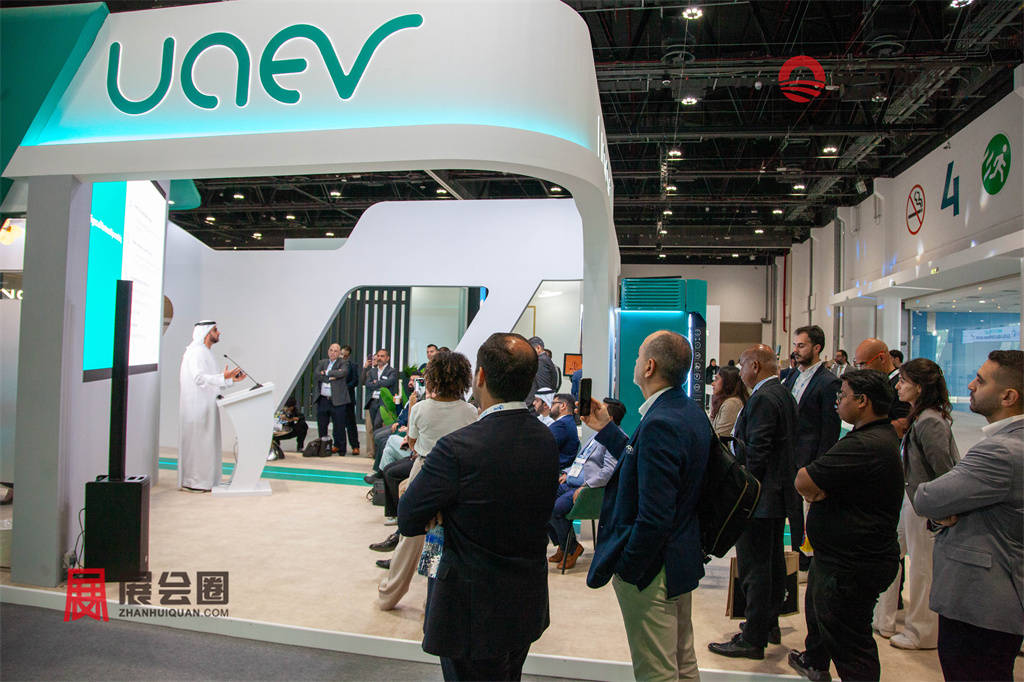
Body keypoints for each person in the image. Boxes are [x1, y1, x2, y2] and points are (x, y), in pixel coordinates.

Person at [398, 333, 558, 681]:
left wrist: (443, 511)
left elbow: (408, 517)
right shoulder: (547, 440)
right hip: (525, 602)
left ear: (480, 376)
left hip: (469, 610)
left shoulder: (456, 449)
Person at [583, 330, 711, 682]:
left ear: (650, 366)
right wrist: (607, 430)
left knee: (658, 671)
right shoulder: (686, 411)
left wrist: (630, 568)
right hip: (679, 556)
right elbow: (646, 465)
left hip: (654, 570)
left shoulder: (660, 422)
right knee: (682, 663)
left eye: (639, 356)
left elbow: (655, 515)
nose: (636, 362)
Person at [914, 350, 1023, 682]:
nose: (970, 385)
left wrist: (946, 507)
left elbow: (927, 497)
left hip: (982, 603)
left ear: (1008, 396)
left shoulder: (1000, 452)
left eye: (981, 380)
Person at [788, 369, 903, 682]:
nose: (838, 402)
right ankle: (815, 662)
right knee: (828, 623)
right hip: (843, 558)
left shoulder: (864, 445)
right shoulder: (874, 437)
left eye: (843, 396)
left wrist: (818, 489)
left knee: (851, 646)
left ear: (862, 401)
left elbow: (804, 481)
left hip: (851, 565)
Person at [709, 344, 797, 660]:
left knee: (755, 568)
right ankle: (767, 624)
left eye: (743, 365)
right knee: (771, 564)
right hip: (774, 496)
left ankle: (753, 638)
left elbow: (756, 453)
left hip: (759, 499)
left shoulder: (763, 398)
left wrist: (740, 487)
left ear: (755, 366)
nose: (740, 370)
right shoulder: (782, 394)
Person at [377, 350, 478, 610]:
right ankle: (432, 601)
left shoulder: (421, 409)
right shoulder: (470, 411)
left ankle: (389, 595)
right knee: (441, 540)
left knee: (410, 538)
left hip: (424, 471)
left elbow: (411, 443)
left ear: (432, 378)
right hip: (458, 477)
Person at [873, 358, 959, 649]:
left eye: (904, 382)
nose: (898, 386)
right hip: (911, 500)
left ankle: (922, 632)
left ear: (919, 388)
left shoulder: (930, 421)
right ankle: (883, 619)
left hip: (925, 504)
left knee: (922, 567)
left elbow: (944, 470)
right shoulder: (920, 417)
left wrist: (942, 510)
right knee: (892, 553)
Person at [782, 325, 842, 569]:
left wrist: (820, 464)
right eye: (795, 345)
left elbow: (830, 429)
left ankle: (810, 561)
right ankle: (798, 559)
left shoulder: (829, 382)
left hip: (811, 458)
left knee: (810, 514)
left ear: (817, 348)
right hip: (790, 455)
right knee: (793, 512)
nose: (796, 350)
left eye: (801, 345)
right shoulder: (793, 376)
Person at [547, 398, 624, 571]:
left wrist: (586, 486)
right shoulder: (596, 436)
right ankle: (563, 545)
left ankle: (572, 548)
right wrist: (567, 473)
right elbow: (580, 460)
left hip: (587, 489)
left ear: (610, 418)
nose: (595, 412)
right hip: (571, 481)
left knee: (555, 508)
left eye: (600, 410)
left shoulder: (614, 439)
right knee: (541, 500)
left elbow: (608, 472)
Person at [178, 321, 246, 492]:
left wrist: (230, 380)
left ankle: (207, 481)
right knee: (199, 446)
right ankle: (195, 482)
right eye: (215, 330)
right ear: (206, 333)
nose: (219, 332)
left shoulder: (205, 352)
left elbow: (212, 382)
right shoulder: (196, 352)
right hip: (197, 408)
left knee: (207, 447)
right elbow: (199, 378)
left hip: (207, 407)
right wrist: (223, 377)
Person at [853, 339, 910, 437]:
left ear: (881, 358)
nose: (861, 370)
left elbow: (903, 425)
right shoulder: (879, 384)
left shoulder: (900, 386)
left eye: (863, 364)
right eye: (858, 365)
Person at [314, 343, 350, 455]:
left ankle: (341, 449)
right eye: (331, 350)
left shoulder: (343, 363)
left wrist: (326, 373)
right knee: (322, 425)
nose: (333, 353)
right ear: (328, 351)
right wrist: (332, 377)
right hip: (323, 399)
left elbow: (343, 373)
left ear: (339, 353)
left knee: (339, 426)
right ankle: (323, 447)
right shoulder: (322, 362)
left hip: (338, 400)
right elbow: (317, 374)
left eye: (335, 351)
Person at [363, 348, 400, 450]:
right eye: (378, 356)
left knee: (377, 424)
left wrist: (376, 383)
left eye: (382, 356)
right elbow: (367, 384)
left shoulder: (392, 371)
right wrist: (379, 384)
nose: (379, 358)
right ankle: (375, 452)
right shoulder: (372, 371)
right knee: (373, 426)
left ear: (387, 358)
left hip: (384, 403)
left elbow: (389, 382)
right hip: (372, 401)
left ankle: (379, 451)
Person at [709, 365, 747, 437]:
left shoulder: (732, 404)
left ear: (728, 382)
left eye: (716, 379)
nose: (712, 384)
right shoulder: (725, 401)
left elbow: (721, 436)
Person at [525, 336, 560, 407]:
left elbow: (544, 388)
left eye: (530, 350)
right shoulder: (545, 360)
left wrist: (541, 406)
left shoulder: (540, 361)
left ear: (538, 348)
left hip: (536, 406)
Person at [548, 393, 580, 469]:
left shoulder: (561, 424)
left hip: (555, 470)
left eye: (553, 404)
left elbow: (544, 447)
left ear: (563, 405)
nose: (550, 407)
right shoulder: (569, 421)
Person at [339, 345, 361, 455]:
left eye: (345, 356)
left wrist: (344, 387)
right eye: (342, 355)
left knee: (351, 423)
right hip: (337, 398)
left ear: (349, 356)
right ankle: (338, 445)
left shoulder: (353, 366)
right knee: (338, 423)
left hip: (348, 398)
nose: (343, 357)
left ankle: (355, 446)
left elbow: (355, 381)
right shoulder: (335, 365)